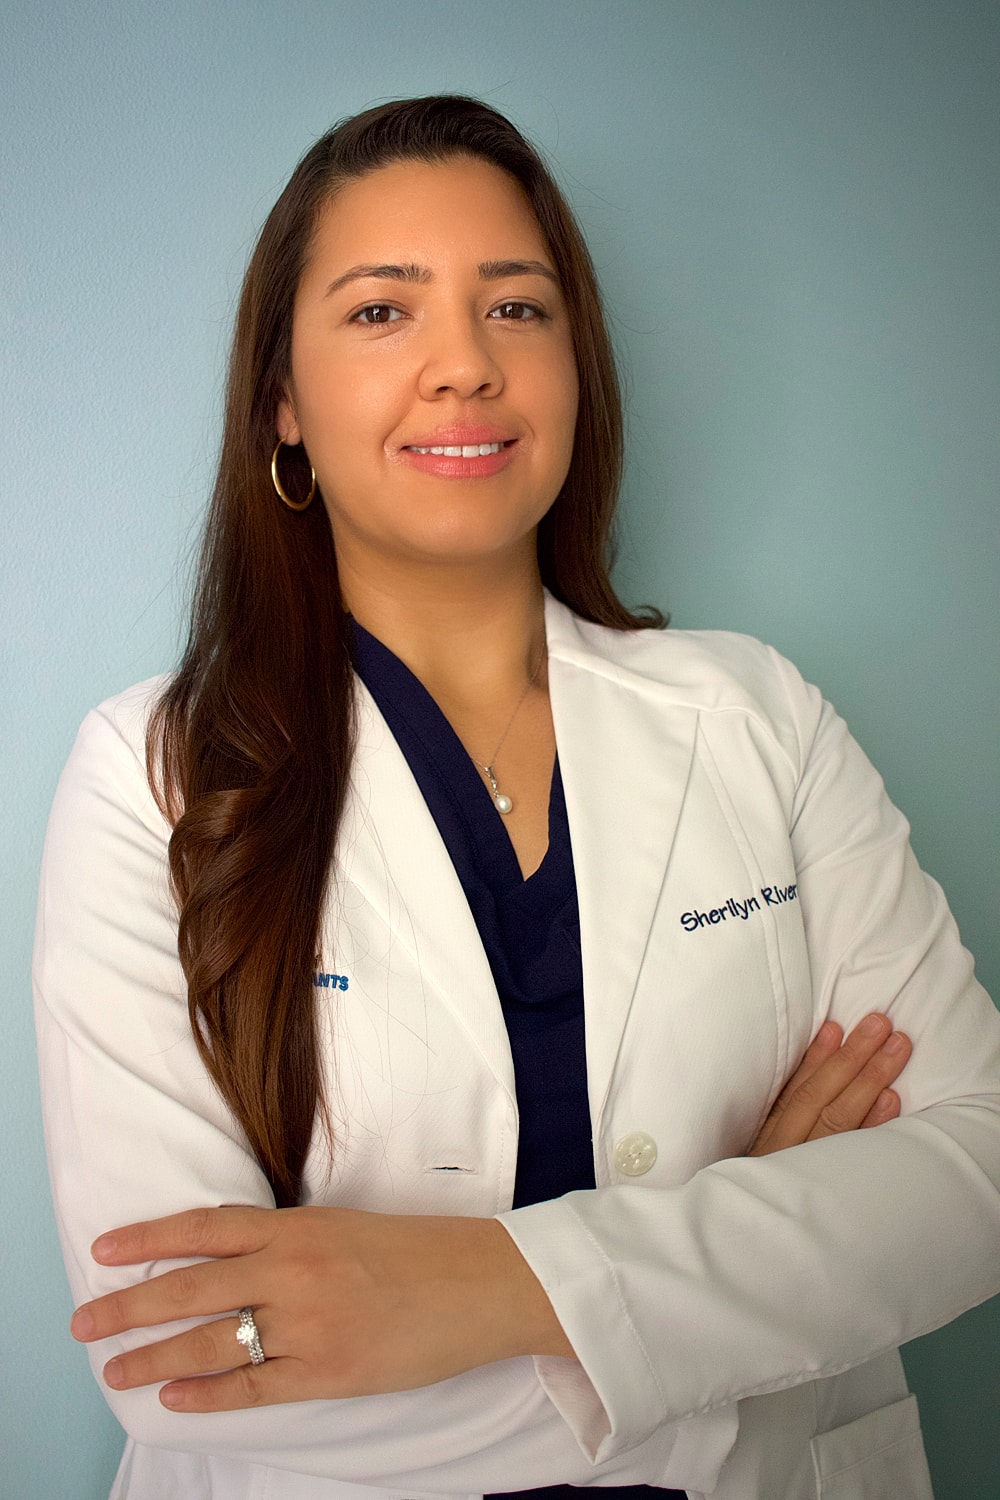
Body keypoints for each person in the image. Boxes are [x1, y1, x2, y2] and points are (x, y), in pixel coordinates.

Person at [34, 95, 1000, 1500]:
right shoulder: (152, 778)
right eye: (382, 313)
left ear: (575, 369)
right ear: (281, 406)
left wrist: (476, 1291)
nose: (465, 368)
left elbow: (971, 1183)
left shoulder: (756, 715)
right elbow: (189, 1355)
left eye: (518, 308)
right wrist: (753, 1259)